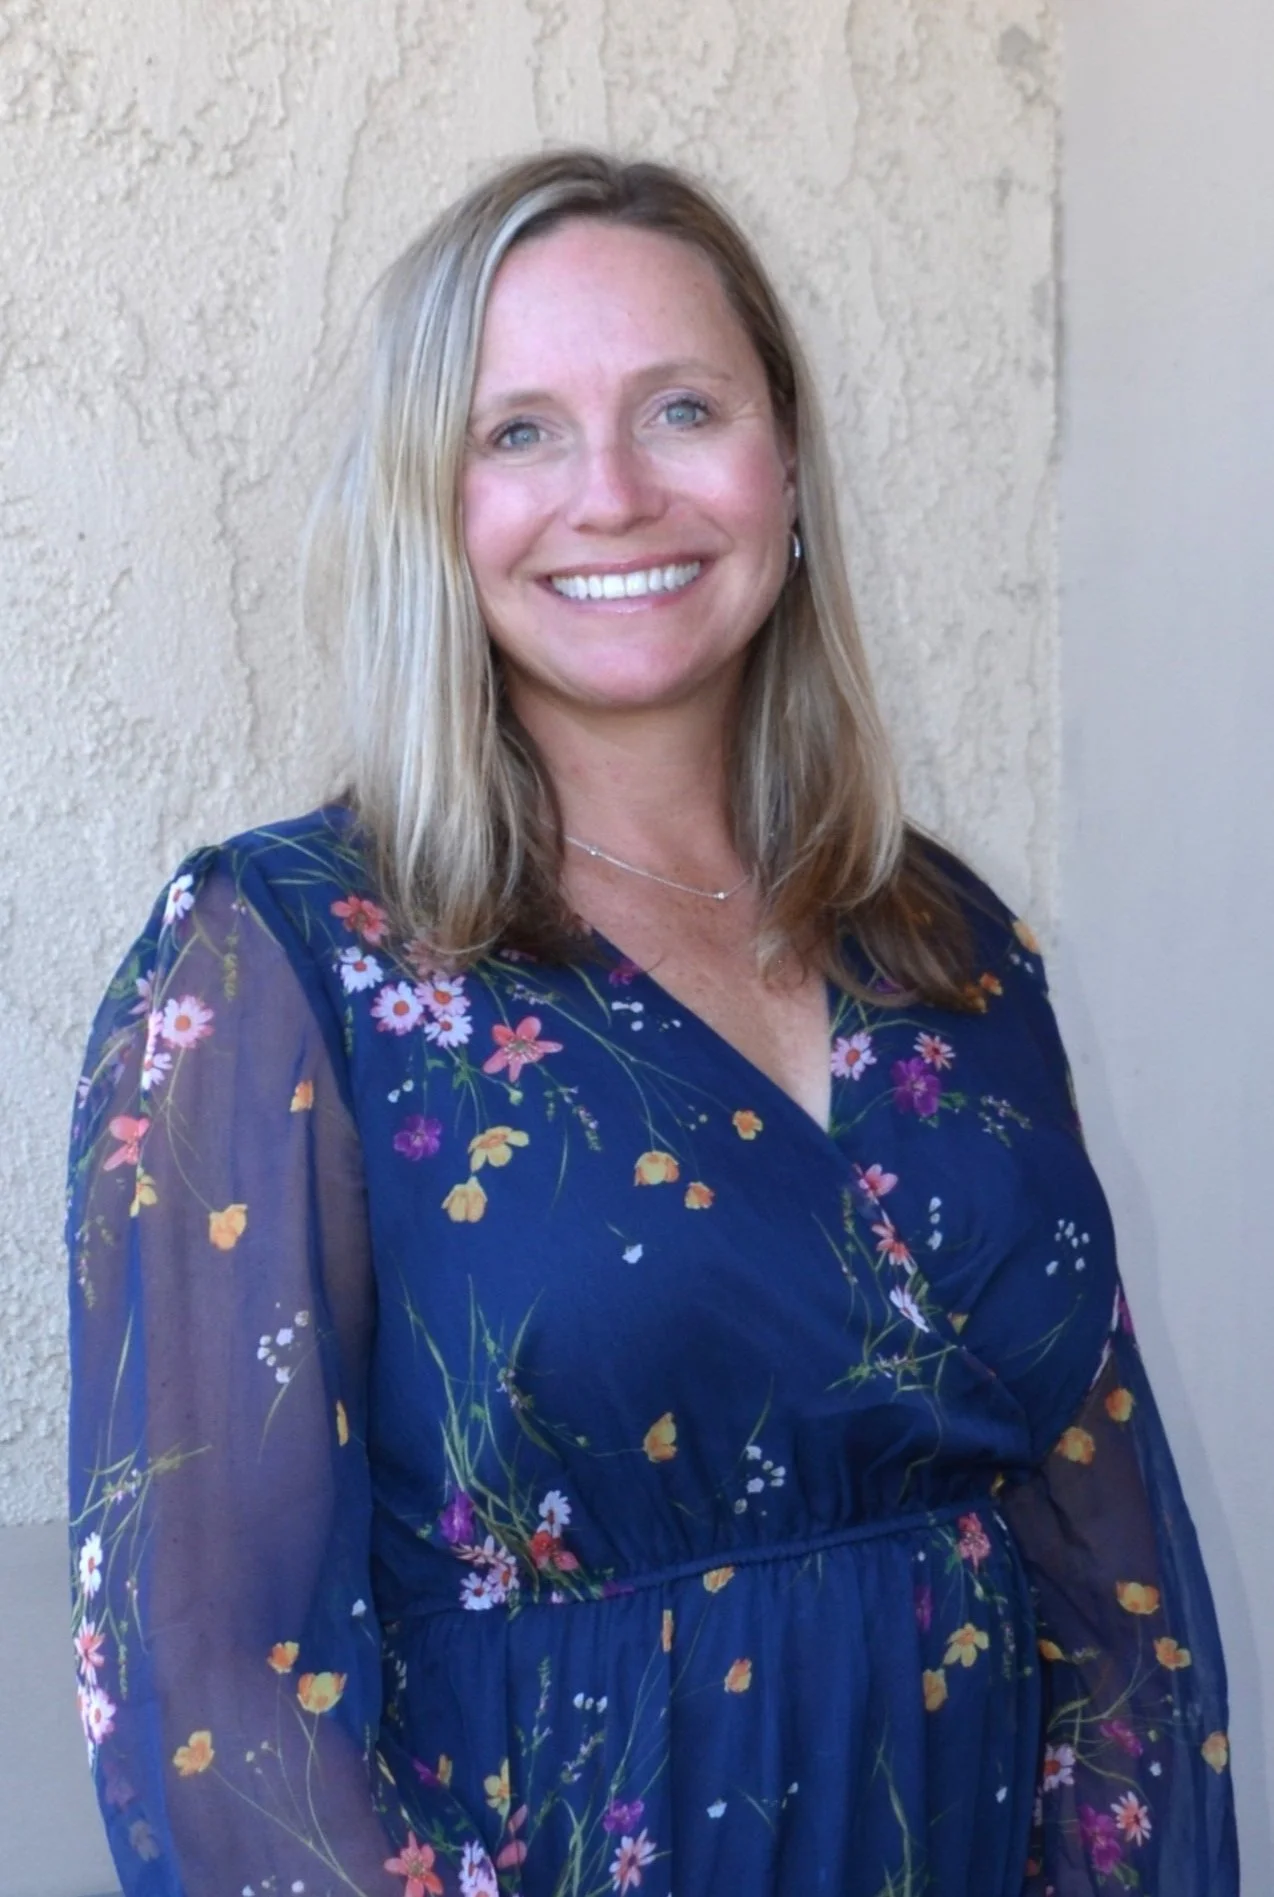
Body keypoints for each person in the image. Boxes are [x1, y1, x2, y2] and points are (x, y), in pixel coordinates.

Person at [67, 150, 1238, 1897]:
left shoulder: (948, 942)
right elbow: (215, 1698)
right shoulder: (281, 963)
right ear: (430, 506)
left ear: (786, 464)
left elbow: (1112, 1586)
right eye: (518, 432)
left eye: (681, 408)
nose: (612, 493)